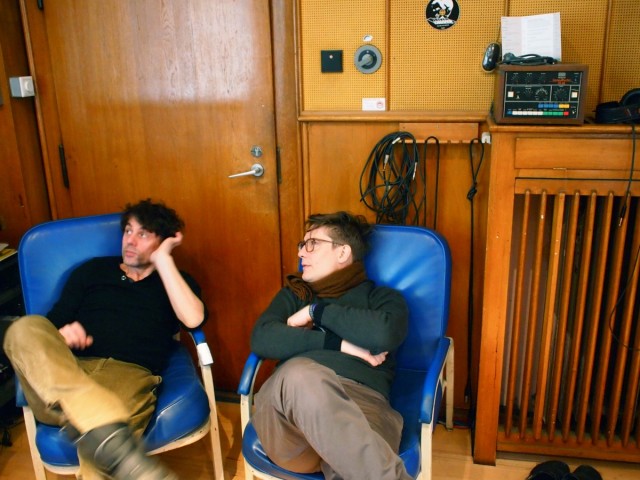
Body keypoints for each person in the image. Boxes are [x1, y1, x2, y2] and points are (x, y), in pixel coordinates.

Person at [3, 199, 207, 480]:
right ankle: (101, 427)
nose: (130, 240)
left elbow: (193, 319)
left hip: (127, 376)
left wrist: (164, 261)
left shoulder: (175, 281)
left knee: (100, 453)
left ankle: (96, 427)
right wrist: (60, 336)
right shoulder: (93, 271)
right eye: (128, 231)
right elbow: (49, 325)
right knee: (24, 328)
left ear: (163, 242)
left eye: (143, 234)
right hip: (65, 373)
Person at [250, 211, 411, 480]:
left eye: (312, 243)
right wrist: (338, 344)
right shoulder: (295, 295)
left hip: (363, 408)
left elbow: (385, 334)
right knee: (301, 375)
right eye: (302, 245)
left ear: (343, 252)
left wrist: (317, 312)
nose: (301, 253)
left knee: (354, 460)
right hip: (290, 422)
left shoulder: (382, 299)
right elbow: (262, 338)